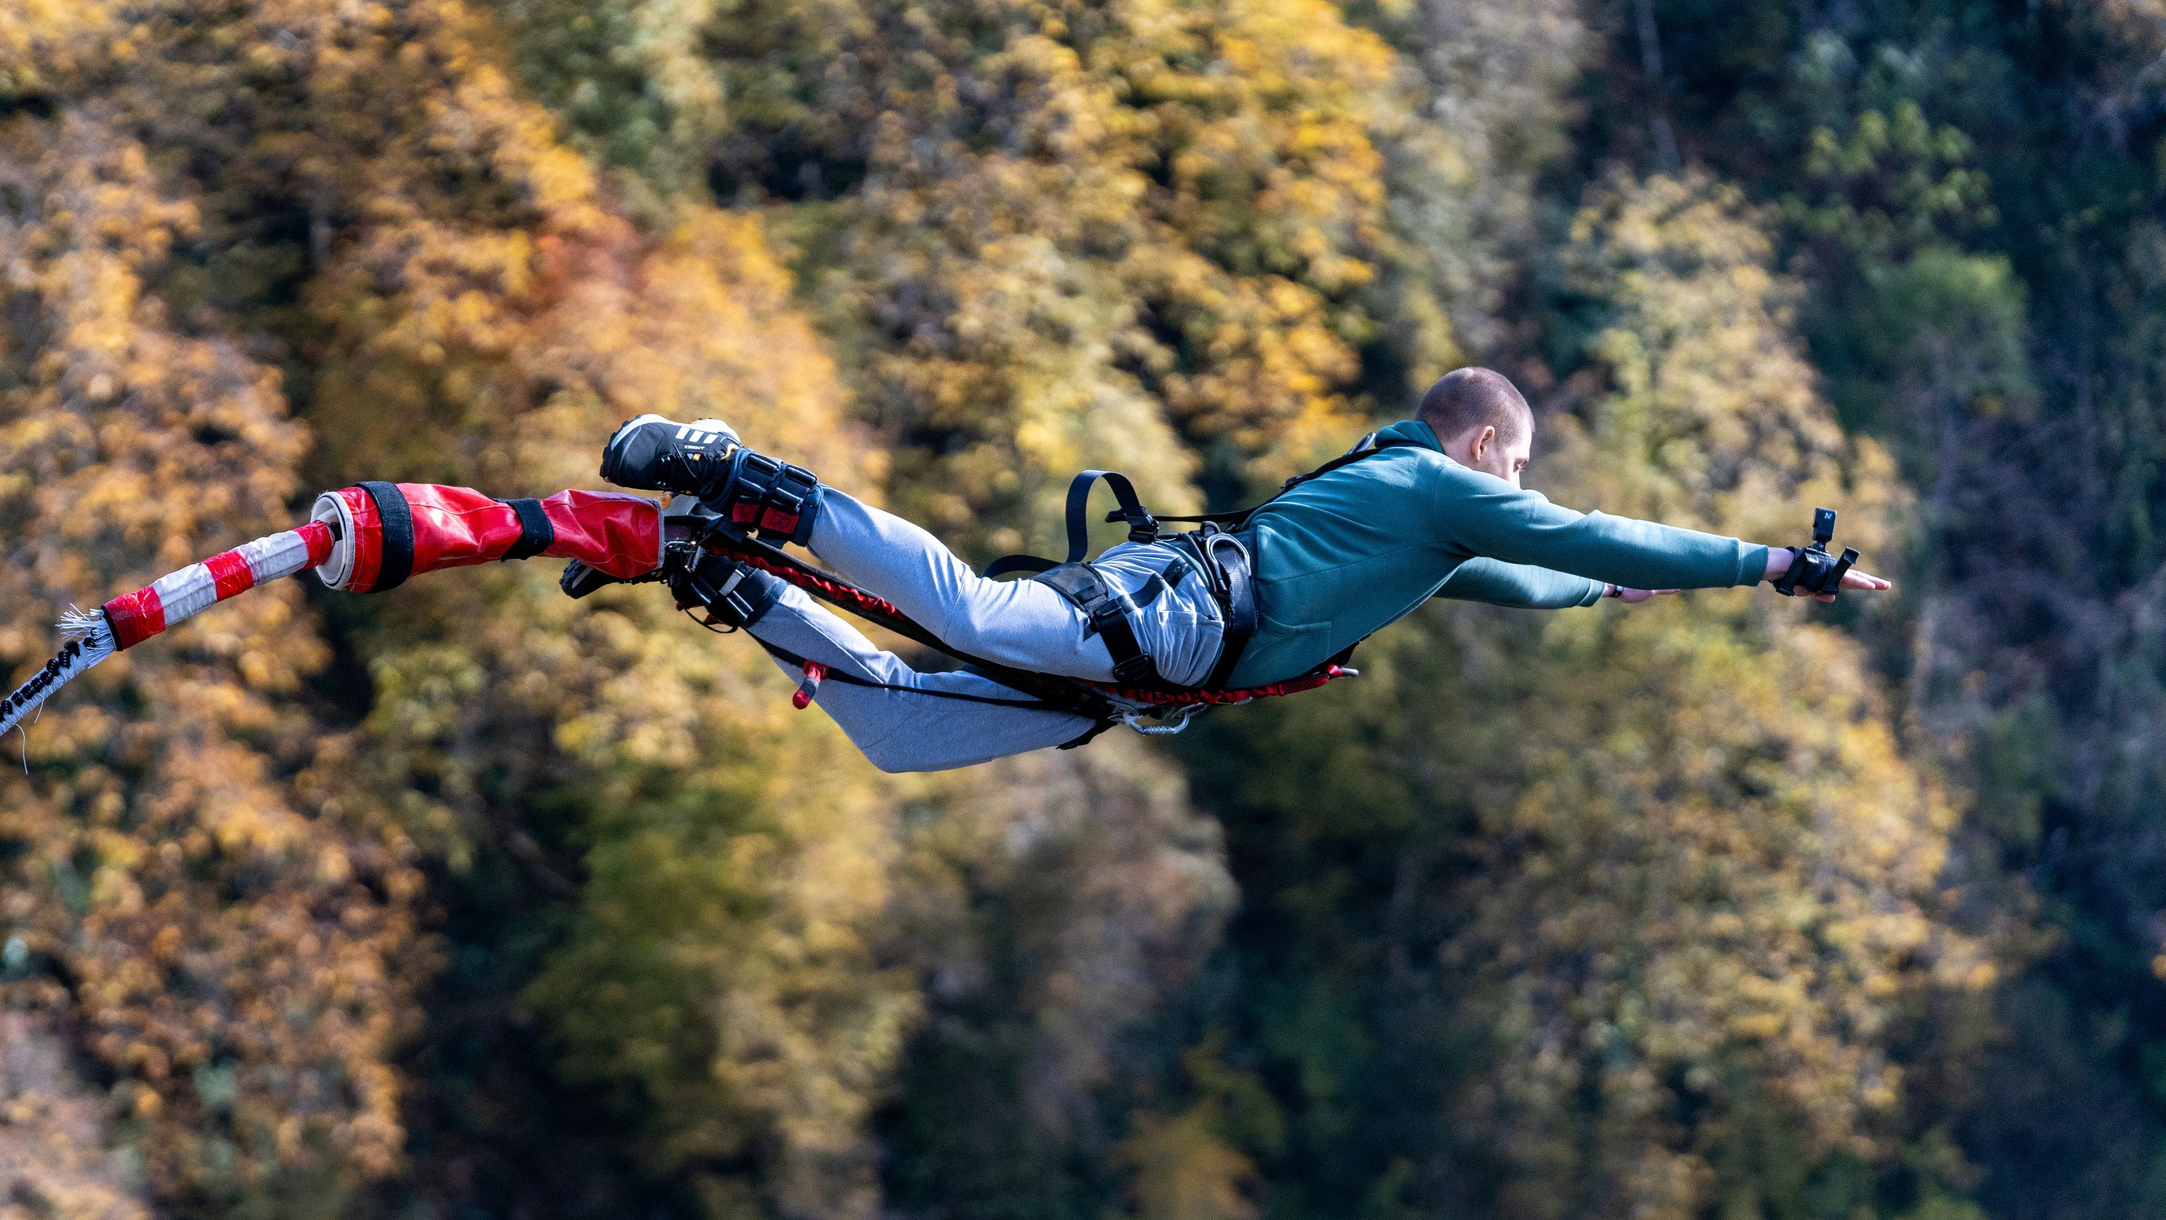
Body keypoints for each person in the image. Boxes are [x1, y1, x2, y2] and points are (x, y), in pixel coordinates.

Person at [595, 367, 1894, 773]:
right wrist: (1771, 562)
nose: (1517, 499)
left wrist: (1602, 592)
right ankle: (743, 476)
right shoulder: (1430, 487)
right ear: (1486, 445)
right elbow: (1576, 531)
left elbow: (1536, 574)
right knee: (973, 610)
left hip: (1165, 668)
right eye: (1515, 475)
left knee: (892, 729)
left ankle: (728, 575)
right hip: (1178, 612)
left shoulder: (1424, 536)